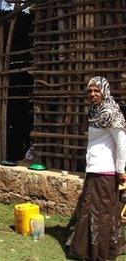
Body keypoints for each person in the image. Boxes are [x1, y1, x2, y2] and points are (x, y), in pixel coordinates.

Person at [69, 76, 126, 260]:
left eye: (97, 90)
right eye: (90, 91)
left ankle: (100, 254)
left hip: (105, 173)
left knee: (101, 214)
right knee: (90, 211)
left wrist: (121, 170)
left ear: (105, 91)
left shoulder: (111, 113)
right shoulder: (95, 112)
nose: (92, 94)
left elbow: (122, 143)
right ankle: (93, 250)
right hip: (94, 170)